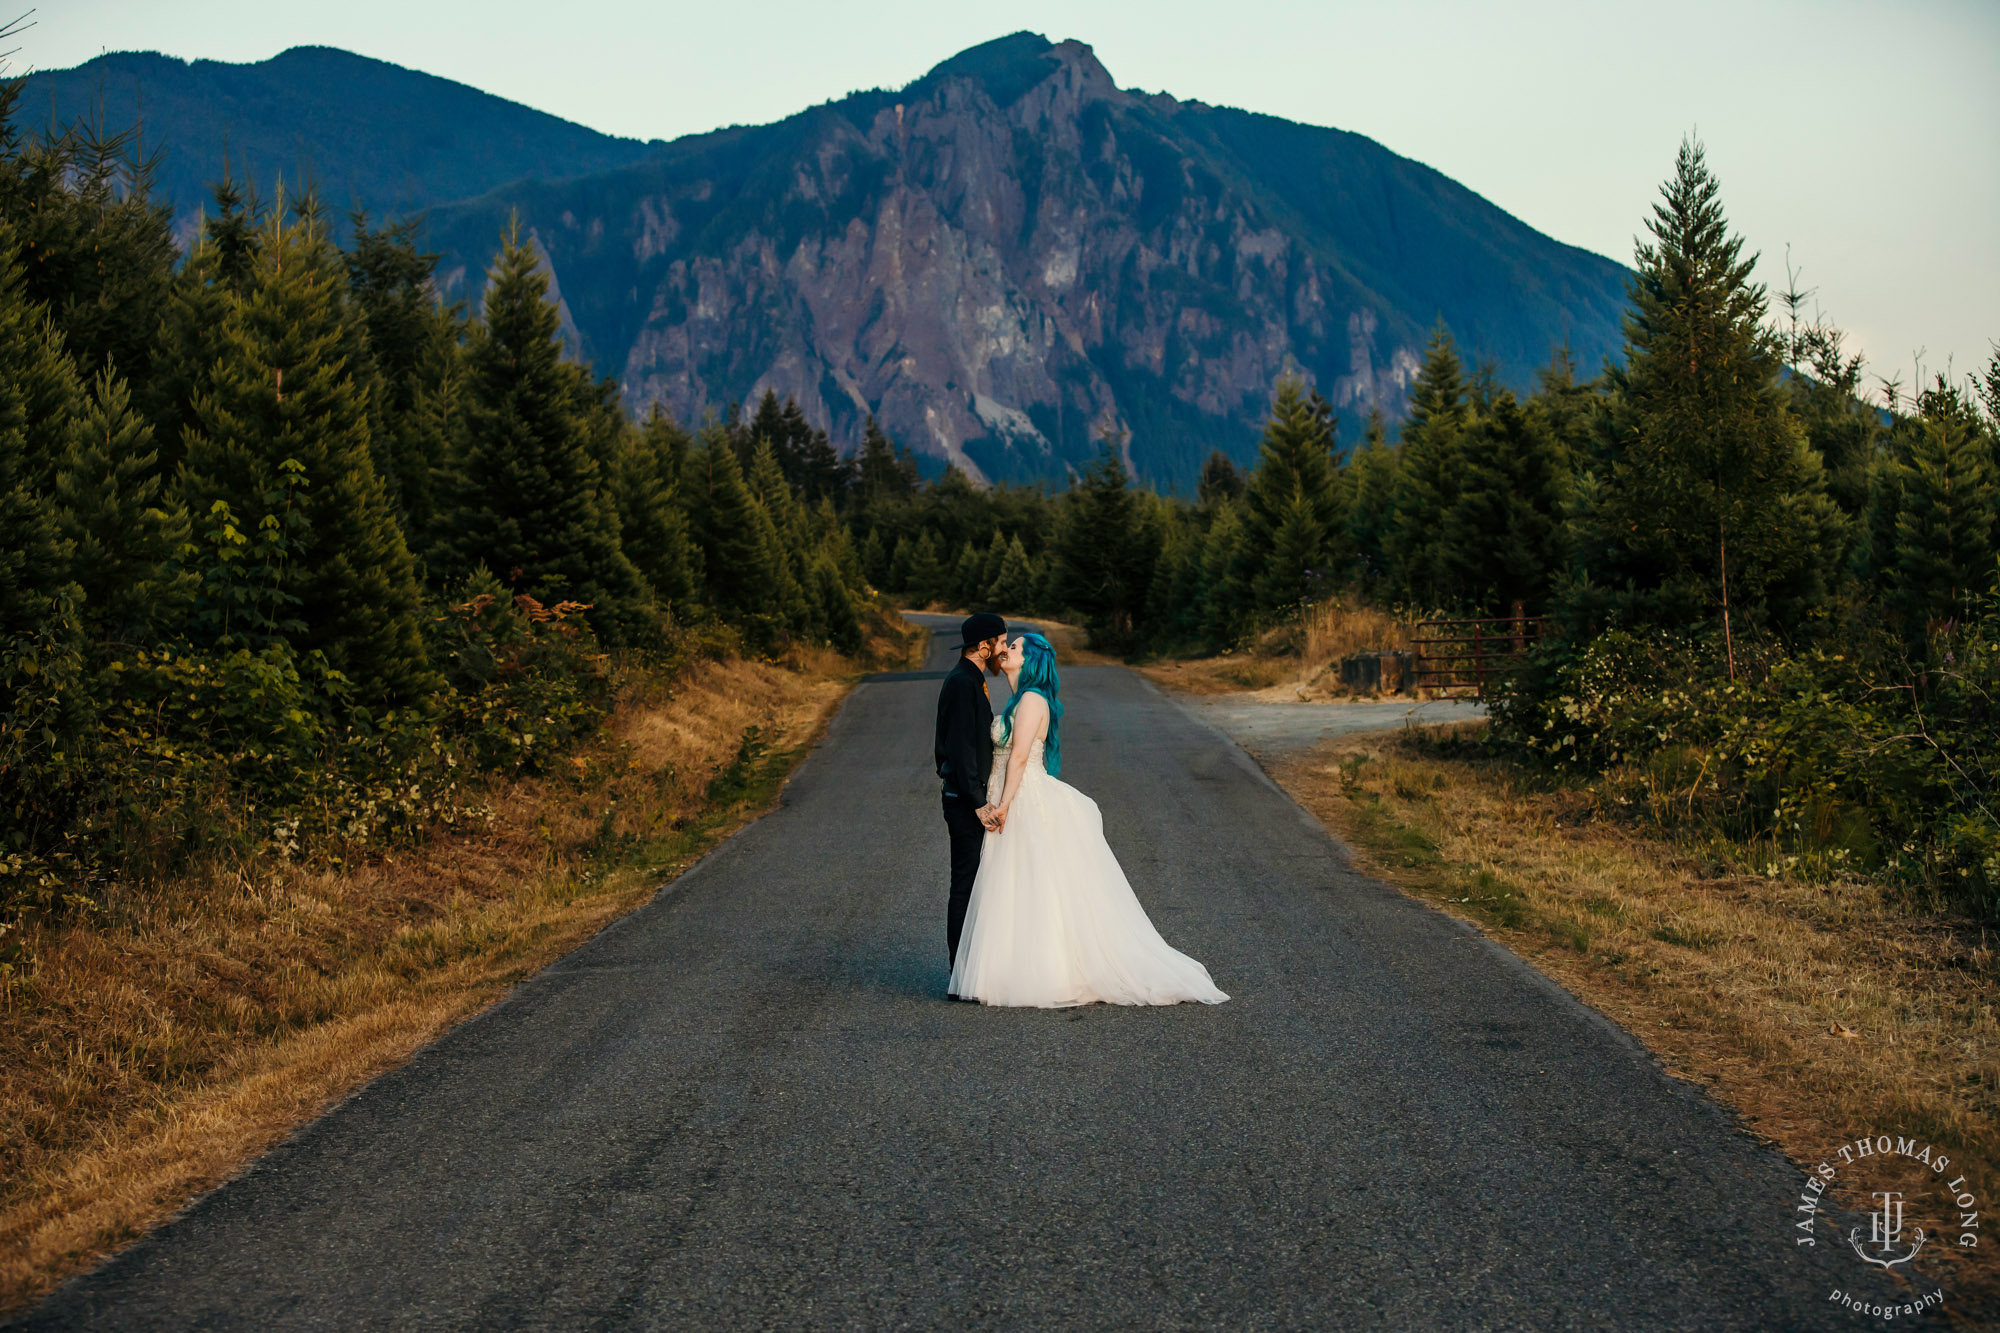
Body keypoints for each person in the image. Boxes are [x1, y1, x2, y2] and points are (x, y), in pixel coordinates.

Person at [949, 632, 1228, 1008]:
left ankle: (1043, 971)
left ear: (1029, 660)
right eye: (1006, 644)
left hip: (1021, 797)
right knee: (1013, 884)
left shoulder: (1031, 700)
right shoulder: (1019, 700)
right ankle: (1010, 968)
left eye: (1014, 646)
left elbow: (1018, 759)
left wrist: (1004, 804)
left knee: (1031, 883)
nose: (1006, 649)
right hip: (1009, 793)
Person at [934, 611, 1007, 986]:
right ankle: (959, 974)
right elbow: (961, 749)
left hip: (964, 797)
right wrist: (978, 801)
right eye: (1000, 643)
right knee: (965, 884)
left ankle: (970, 969)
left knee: (974, 882)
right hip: (963, 802)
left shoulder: (971, 679)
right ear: (983, 647)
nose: (1003, 650)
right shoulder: (963, 683)